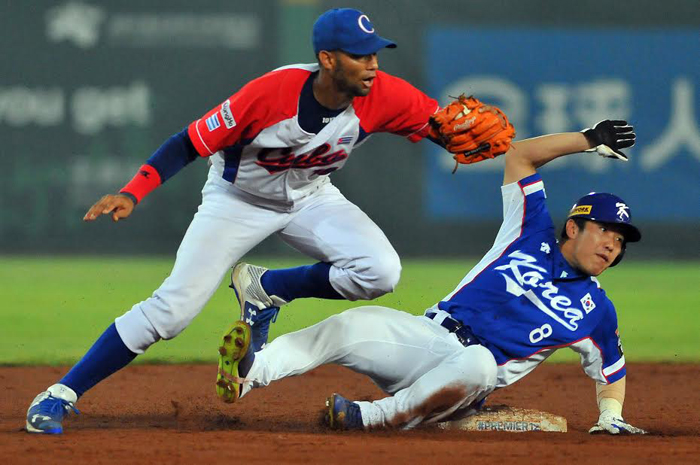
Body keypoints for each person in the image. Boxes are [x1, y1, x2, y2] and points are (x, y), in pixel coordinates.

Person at [25, 8, 501, 434]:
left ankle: (268, 288)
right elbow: (186, 142)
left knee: (380, 270)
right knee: (171, 313)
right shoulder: (269, 94)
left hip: (312, 199)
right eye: (361, 56)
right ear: (328, 59)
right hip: (237, 201)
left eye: (376, 54)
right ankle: (58, 395)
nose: (373, 65)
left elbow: (448, 130)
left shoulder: (385, 94)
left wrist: (487, 146)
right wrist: (133, 191)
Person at [216, 120, 647, 434]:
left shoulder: (597, 309)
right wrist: (588, 140)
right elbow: (520, 155)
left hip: (466, 378)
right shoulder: (528, 231)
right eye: (606, 230)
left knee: (481, 362)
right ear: (573, 227)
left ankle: (373, 417)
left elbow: (611, 369)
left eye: (621, 239)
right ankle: (251, 371)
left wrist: (611, 418)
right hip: (427, 337)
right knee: (349, 325)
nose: (613, 244)